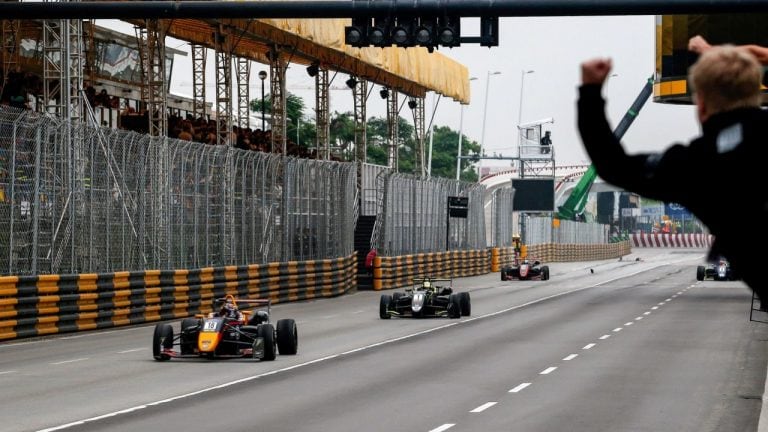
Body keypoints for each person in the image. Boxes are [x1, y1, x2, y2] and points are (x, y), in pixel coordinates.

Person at [576, 42, 768, 305]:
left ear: (700, 105)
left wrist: (590, 93)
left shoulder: (698, 164)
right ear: (756, 91)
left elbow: (614, 165)